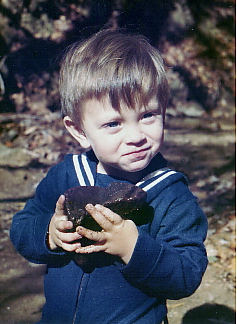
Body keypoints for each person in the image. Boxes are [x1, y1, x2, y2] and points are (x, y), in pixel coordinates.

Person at [10, 29, 208, 324]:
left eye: (147, 115)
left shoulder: (170, 194)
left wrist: (133, 247)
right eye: (114, 123)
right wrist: (49, 234)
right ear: (79, 131)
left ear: (164, 111)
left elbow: (186, 275)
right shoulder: (66, 175)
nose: (135, 136)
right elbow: (22, 227)